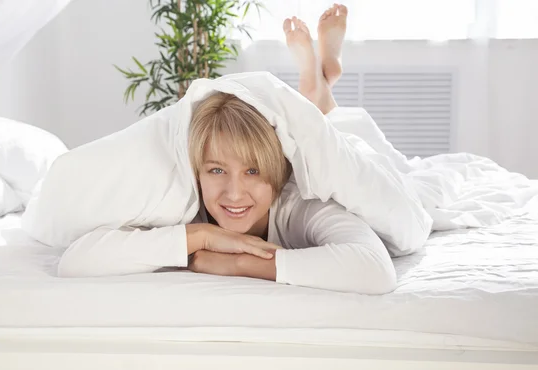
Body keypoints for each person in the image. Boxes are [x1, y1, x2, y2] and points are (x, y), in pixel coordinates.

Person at [58, 4, 397, 294]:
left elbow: (374, 268)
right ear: (197, 172)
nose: (234, 194)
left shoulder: (302, 204)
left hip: (350, 147)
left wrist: (237, 264)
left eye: (253, 171)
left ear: (278, 174)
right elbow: (75, 260)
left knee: (348, 142)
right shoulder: (183, 206)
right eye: (217, 170)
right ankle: (316, 89)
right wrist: (201, 237)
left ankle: (318, 92)